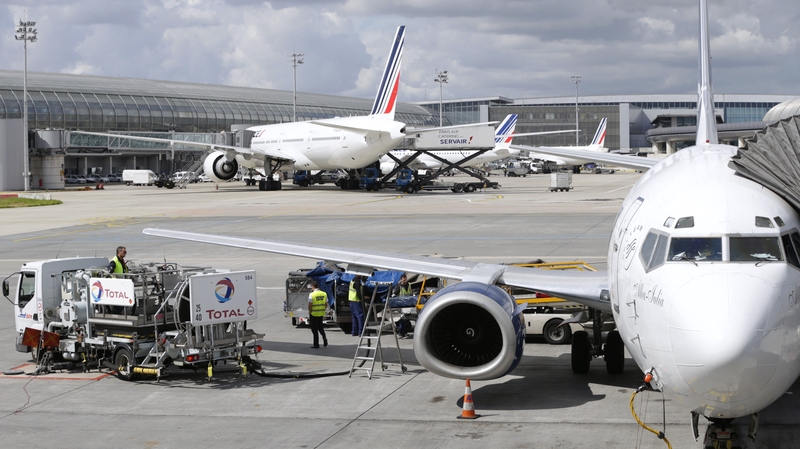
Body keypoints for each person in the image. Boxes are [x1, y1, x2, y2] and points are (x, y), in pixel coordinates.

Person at [391, 274, 413, 339]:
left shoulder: (409, 285)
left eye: (405, 280)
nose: (404, 281)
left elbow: (411, 293)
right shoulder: (398, 287)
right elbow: (393, 295)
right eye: (403, 280)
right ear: (401, 279)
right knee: (402, 320)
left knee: (406, 319)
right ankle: (401, 332)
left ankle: (403, 332)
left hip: (408, 304)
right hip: (400, 305)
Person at [307, 281, 328, 348]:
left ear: (313, 286)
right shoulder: (324, 294)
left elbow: (310, 305)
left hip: (314, 314)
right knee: (320, 327)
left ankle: (316, 344)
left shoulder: (312, 294)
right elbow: (326, 304)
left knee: (314, 329)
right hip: (321, 313)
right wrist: (323, 310)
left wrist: (310, 312)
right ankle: (324, 337)